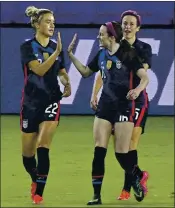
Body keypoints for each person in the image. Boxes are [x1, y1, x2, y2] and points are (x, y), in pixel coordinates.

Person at [67, 21, 149, 205]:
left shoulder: (128, 53)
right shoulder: (101, 54)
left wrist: (136, 90)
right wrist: (71, 56)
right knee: (99, 151)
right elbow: (87, 72)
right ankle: (96, 196)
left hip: (124, 107)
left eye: (101, 34)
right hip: (105, 106)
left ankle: (139, 175)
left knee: (121, 154)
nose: (98, 37)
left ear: (112, 37)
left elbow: (144, 77)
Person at [90, 10, 152, 201]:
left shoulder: (142, 48)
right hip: (113, 101)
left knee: (129, 145)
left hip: (136, 101)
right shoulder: (114, 46)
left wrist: (136, 89)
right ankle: (136, 178)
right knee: (118, 149)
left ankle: (128, 187)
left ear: (138, 28)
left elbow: (141, 72)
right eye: (124, 23)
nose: (127, 26)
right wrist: (95, 93)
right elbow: (102, 71)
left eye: (132, 24)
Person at [20, 6, 71, 204]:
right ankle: (35, 178)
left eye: (53, 21)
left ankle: (39, 193)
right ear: (37, 24)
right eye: (48, 21)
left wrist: (67, 82)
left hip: (51, 100)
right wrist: (56, 52)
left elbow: (61, 70)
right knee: (27, 156)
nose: (52, 25)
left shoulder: (55, 46)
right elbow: (39, 70)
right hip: (31, 102)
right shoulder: (27, 47)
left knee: (43, 146)